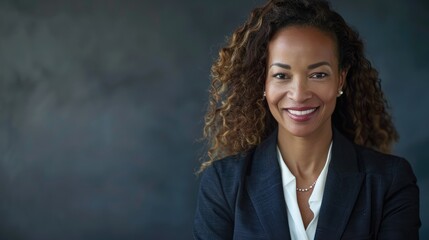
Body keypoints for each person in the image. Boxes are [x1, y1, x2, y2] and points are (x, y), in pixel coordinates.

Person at [193, 0, 420, 239]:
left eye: (318, 74)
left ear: (340, 79)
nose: (299, 94)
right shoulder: (223, 184)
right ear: (263, 82)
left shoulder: (390, 182)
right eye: (281, 75)